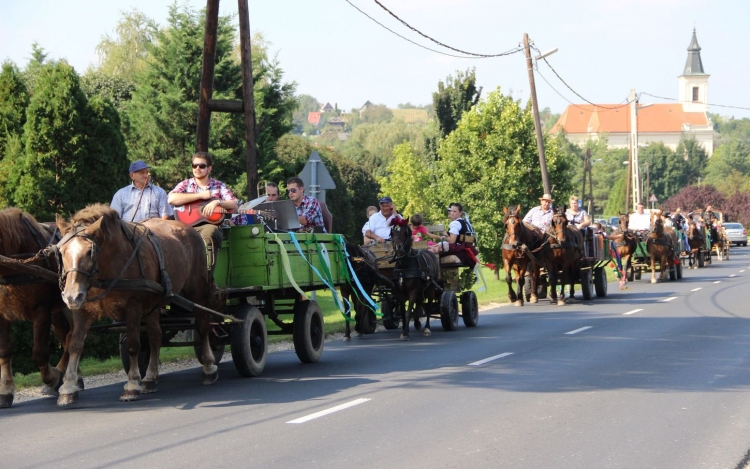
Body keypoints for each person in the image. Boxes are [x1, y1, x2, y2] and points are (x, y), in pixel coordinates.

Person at [168, 151, 238, 270]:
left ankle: (207, 276)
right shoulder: (185, 184)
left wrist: (217, 202)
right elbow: (171, 199)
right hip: (185, 224)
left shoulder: (219, 186)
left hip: (209, 225)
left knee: (209, 234)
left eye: (202, 166)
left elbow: (235, 204)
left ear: (209, 168)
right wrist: (200, 196)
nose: (197, 168)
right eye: (194, 165)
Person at [428, 203, 479, 267]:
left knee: (434, 253)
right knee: (436, 246)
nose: (452, 213)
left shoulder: (455, 223)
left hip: (459, 251)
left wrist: (444, 233)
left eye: (454, 211)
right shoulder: (464, 222)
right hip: (466, 250)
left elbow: (452, 241)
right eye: (451, 211)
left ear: (460, 213)